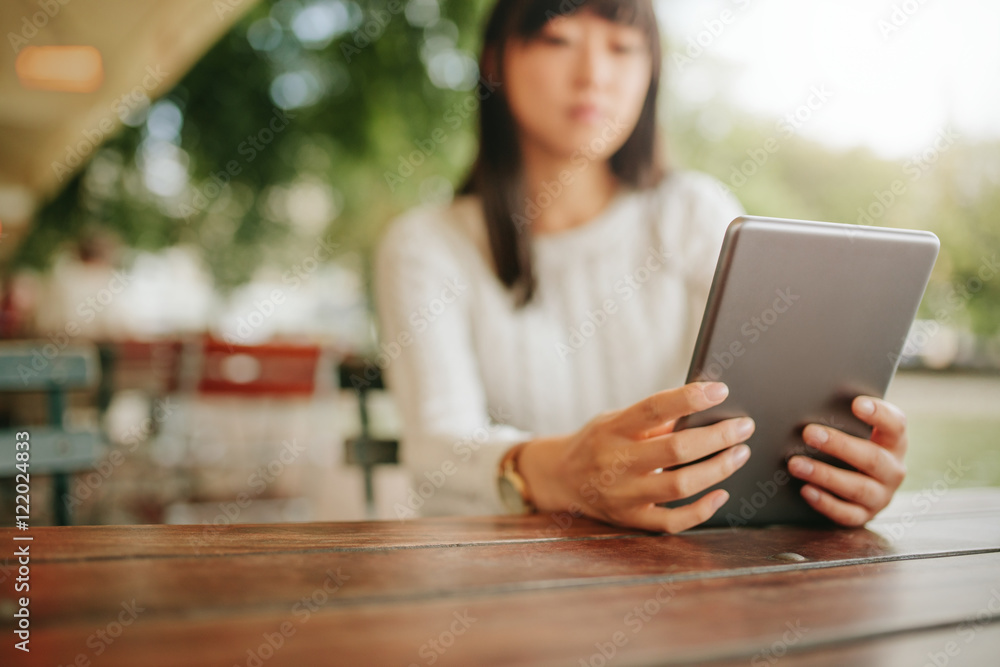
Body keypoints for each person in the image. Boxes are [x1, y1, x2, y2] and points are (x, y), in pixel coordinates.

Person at [374, 0, 908, 533]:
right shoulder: (427, 246)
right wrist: (563, 471)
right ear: (493, 62)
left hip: (688, 572)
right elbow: (437, 452)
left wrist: (835, 467)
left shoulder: (694, 213)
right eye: (559, 40)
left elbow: (773, 400)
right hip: (502, 582)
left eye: (623, 48)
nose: (594, 76)